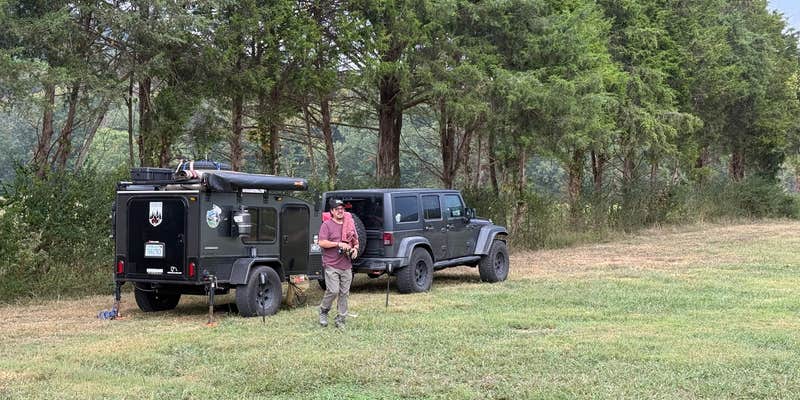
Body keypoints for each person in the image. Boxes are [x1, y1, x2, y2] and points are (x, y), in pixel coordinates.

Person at [318, 198, 359, 328]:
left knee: (344, 293)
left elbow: (355, 241)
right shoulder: (327, 225)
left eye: (342, 209)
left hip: (346, 265)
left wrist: (355, 250)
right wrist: (338, 244)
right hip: (331, 264)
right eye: (337, 209)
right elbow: (322, 242)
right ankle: (323, 311)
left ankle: (341, 319)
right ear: (332, 211)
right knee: (333, 290)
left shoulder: (349, 224)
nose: (340, 211)